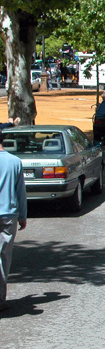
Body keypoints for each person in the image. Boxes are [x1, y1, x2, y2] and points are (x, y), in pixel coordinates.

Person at [0, 130, 27, 312]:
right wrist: (23, 216)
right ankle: (0, 298)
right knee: (3, 256)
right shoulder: (14, 161)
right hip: (8, 215)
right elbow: (20, 192)